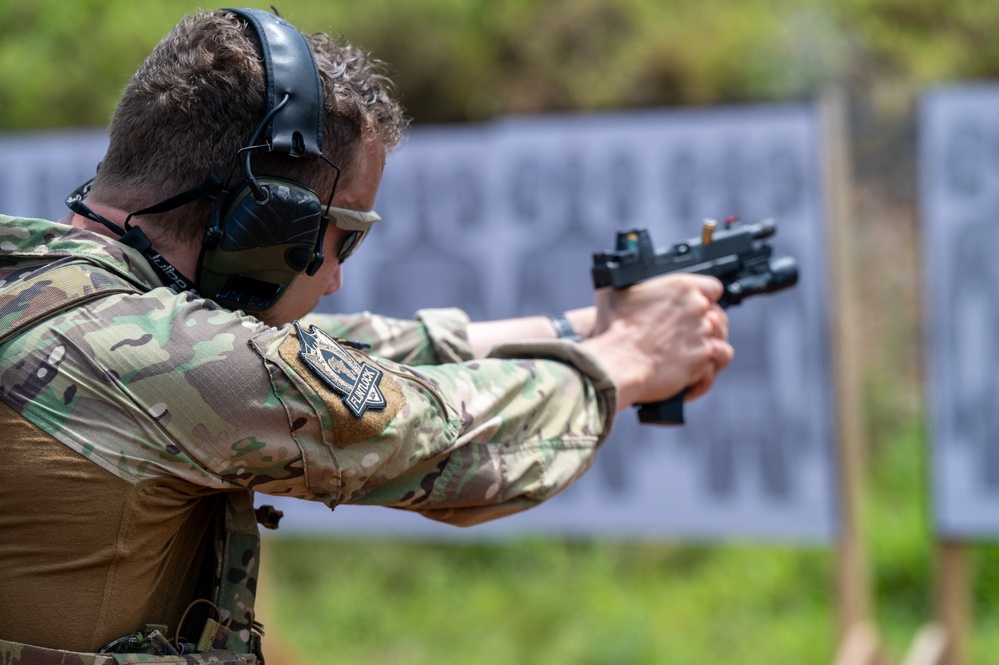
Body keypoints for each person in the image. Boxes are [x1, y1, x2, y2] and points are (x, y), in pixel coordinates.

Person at [0, 8, 733, 664]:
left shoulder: (46, 289)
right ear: (265, 219)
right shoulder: (172, 361)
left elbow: (348, 350)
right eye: (342, 236)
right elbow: (440, 436)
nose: (335, 276)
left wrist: (581, 328)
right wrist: (630, 359)